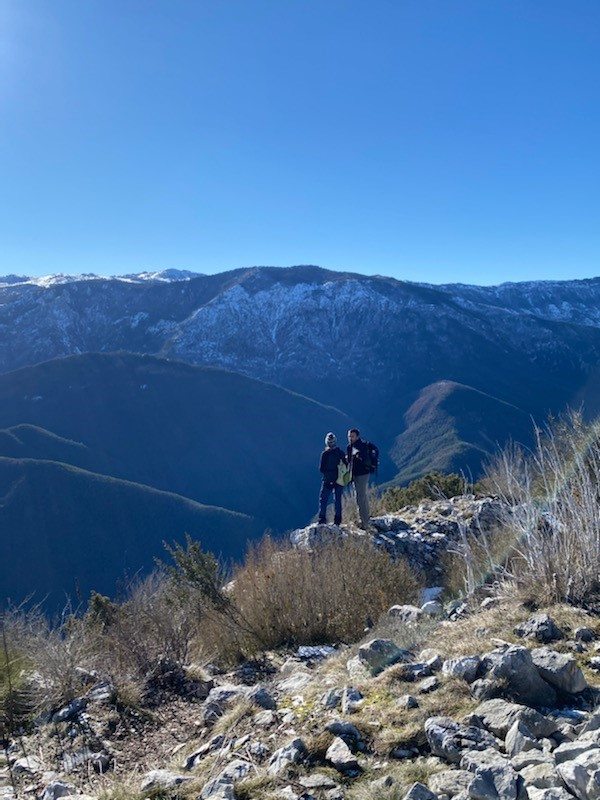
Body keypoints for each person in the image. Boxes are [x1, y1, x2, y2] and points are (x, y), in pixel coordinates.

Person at [318, 432, 346, 525]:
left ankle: (322, 519)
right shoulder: (341, 453)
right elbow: (346, 466)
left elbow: (321, 469)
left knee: (323, 499)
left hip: (327, 480)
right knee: (337, 500)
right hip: (339, 480)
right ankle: (337, 520)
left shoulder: (325, 454)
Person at [347, 428, 371, 529]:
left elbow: (356, 461)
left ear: (357, 436)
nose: (350, 438)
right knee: (362, 497)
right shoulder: (353, 446)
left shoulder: (359, 446)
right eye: (349, 436)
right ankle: (365, 519)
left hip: (361, 474)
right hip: (359, 474)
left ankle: (365, 523)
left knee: (360, 498)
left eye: (352, 436)